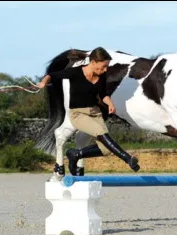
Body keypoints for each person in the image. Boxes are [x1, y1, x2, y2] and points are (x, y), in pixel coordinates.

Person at [37, 47, 140, 180]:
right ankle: (128, 159)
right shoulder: (75, 72)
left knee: (105, 149)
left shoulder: (101, 76)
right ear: (93, 62)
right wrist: (43, 82)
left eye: (107, 67)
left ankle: (75, 154)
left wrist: (110, 103)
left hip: (95, 113)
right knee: (101, 133)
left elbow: (103, 94)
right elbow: (53, 75)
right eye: (103, 66)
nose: (105, 70)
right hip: (78, 114)